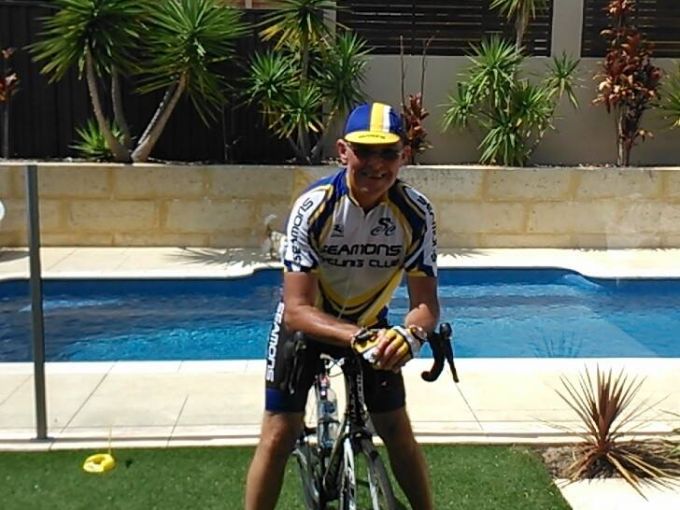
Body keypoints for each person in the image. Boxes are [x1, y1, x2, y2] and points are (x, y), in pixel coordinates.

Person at [245, 102, 439, 510]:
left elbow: (425, 304)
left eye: (388, 152)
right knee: (279, 434)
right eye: (364, 151)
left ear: (404, 155)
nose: (376, 164)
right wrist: (358, 336)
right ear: (342, 151)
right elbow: (296, 309)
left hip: (370, 327)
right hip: (308, 327)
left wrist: (412, 334)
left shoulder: (417, 212)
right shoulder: (314, 206)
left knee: (396, 429)